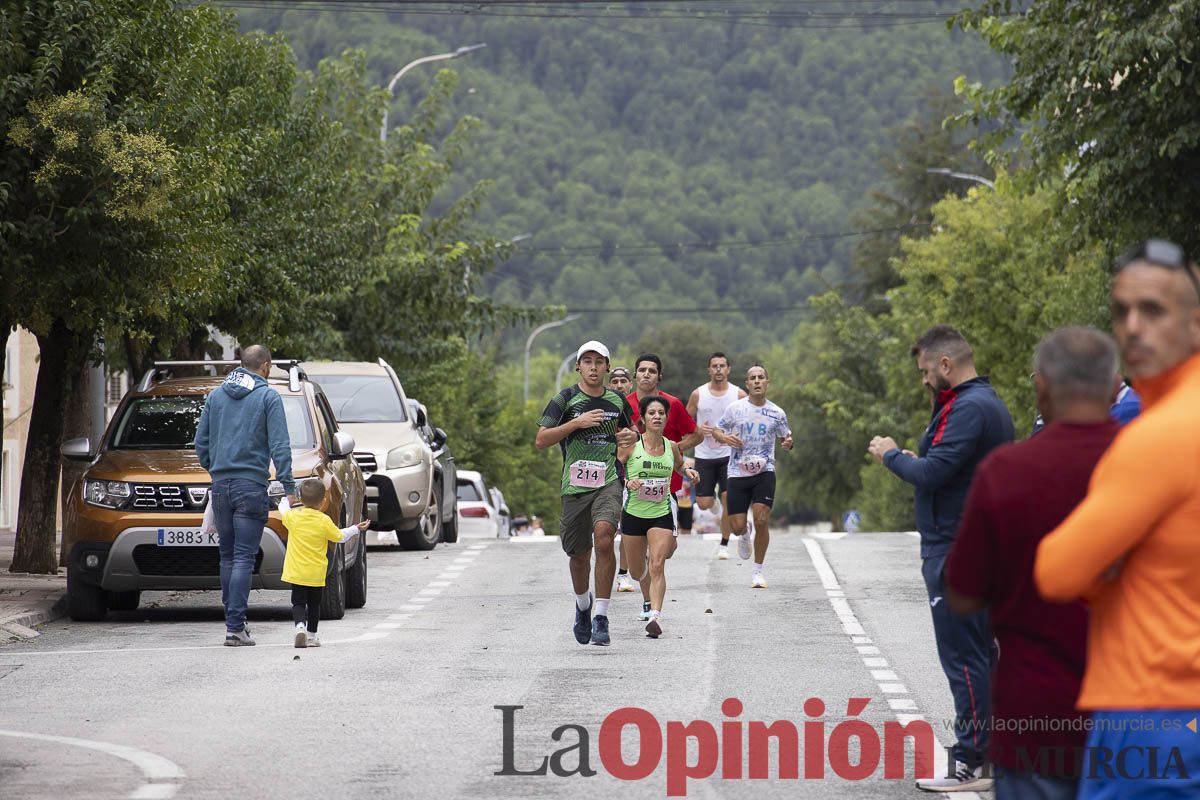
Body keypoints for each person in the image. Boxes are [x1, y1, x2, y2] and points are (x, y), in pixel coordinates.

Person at [1035, 239, 1200, 799]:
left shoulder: (1158, 435)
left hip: (1152, 705)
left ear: (1195, 325)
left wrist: (1109, 570)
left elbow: (1057, 569)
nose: (1132, 327)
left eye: (1153, 310)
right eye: (1121, 311)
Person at [944, 327, 1122, 800]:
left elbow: (962, 592)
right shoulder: (1151, 462)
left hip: (1034, 720)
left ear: (1041, 385)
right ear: (1114, 385)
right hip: (1136, 715)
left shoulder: (1007, 472)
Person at [867, 324, 1013, 791]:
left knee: (963, 657)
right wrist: (919, 459)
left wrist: (892, 455)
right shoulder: (978, 403)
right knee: (980, 655)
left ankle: (971, 762)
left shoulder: (967, 407)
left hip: (957, 548)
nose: (924, 380)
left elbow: (932, 473)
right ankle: (989, 754)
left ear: (946, 364)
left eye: (925, 371)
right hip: (971, 543)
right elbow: (950, 468)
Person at [535, 340, 637, 647]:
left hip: (608, 480)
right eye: (588, 362)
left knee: (604, 537)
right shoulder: (565, 399)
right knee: (578, 555)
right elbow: (541, 439)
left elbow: (632, 432)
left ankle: (601, 617)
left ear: (607, 366)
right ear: (578, 366)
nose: (593, 367)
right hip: (574, 485)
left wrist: (630, 436)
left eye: (599, 362)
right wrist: (576, 423)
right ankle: (583, 605)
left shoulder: (618, 400)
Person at [195, 344, 295, 647]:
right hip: (250, 487)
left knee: (227, 556)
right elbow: (280, 445)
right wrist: (289, 487)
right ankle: (235, 627)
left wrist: (216, 469)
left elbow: (201, 443)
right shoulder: (268, 397)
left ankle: (233, 623)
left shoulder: (216, 396)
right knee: (242, 557)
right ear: (265, 366)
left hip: (220, 487)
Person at [619, 353, 703, 610]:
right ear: (635, 375)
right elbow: (616, 451)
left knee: (663, 554)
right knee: (640, 565)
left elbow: (696, 435)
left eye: (652, 370)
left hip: (666, 493)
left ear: (659, 376)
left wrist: (672, 450)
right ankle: (647, 598)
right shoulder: (623, 405)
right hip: (633, 493)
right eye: (642, 370)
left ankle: (653, 608)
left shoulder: (673, 404)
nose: (646, 374)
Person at [711, 364, 792, 588]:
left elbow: (786, 437)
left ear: (767, 382)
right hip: (737, 472)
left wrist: (787, 443)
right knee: (736, 526)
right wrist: (726, 438)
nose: (757, 381)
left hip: (764, 471)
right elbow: (716, 430)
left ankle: (758, 571)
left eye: (761, 377)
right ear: (747, 384)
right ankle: (744, 532)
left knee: (762, 519)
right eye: (752, 378)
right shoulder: (735, 409)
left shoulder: (777, 413)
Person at [279, 482, 370, 648]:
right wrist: (356, 528)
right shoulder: (324, 520)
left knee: (298, 603)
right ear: (323, 502)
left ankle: (300, 626)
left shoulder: (294, 517)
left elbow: (282, 509)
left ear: (301, 499)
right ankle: (312, 636)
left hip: (296, 571)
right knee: (314, 605)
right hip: (316, 573)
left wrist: (287, 499)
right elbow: (340, 536)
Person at [686, 352, 748, 560]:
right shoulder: (698, 394)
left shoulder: (739, 394)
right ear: (709, 370)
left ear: (728, 369)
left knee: (728, 498)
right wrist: (697, 429)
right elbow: (685, 421)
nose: (718, 369)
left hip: (730, 455)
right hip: (704, 454)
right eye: (714, 366)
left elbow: (750, 421)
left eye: (722, 365)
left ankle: (724, 544)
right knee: (703, 503)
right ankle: (714, 504)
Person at [675, 458, 696, 535]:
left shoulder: (689, 461)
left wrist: (690, 483)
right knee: (672, 528)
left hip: (686, 503)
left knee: (686, 529)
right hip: (672, 503)